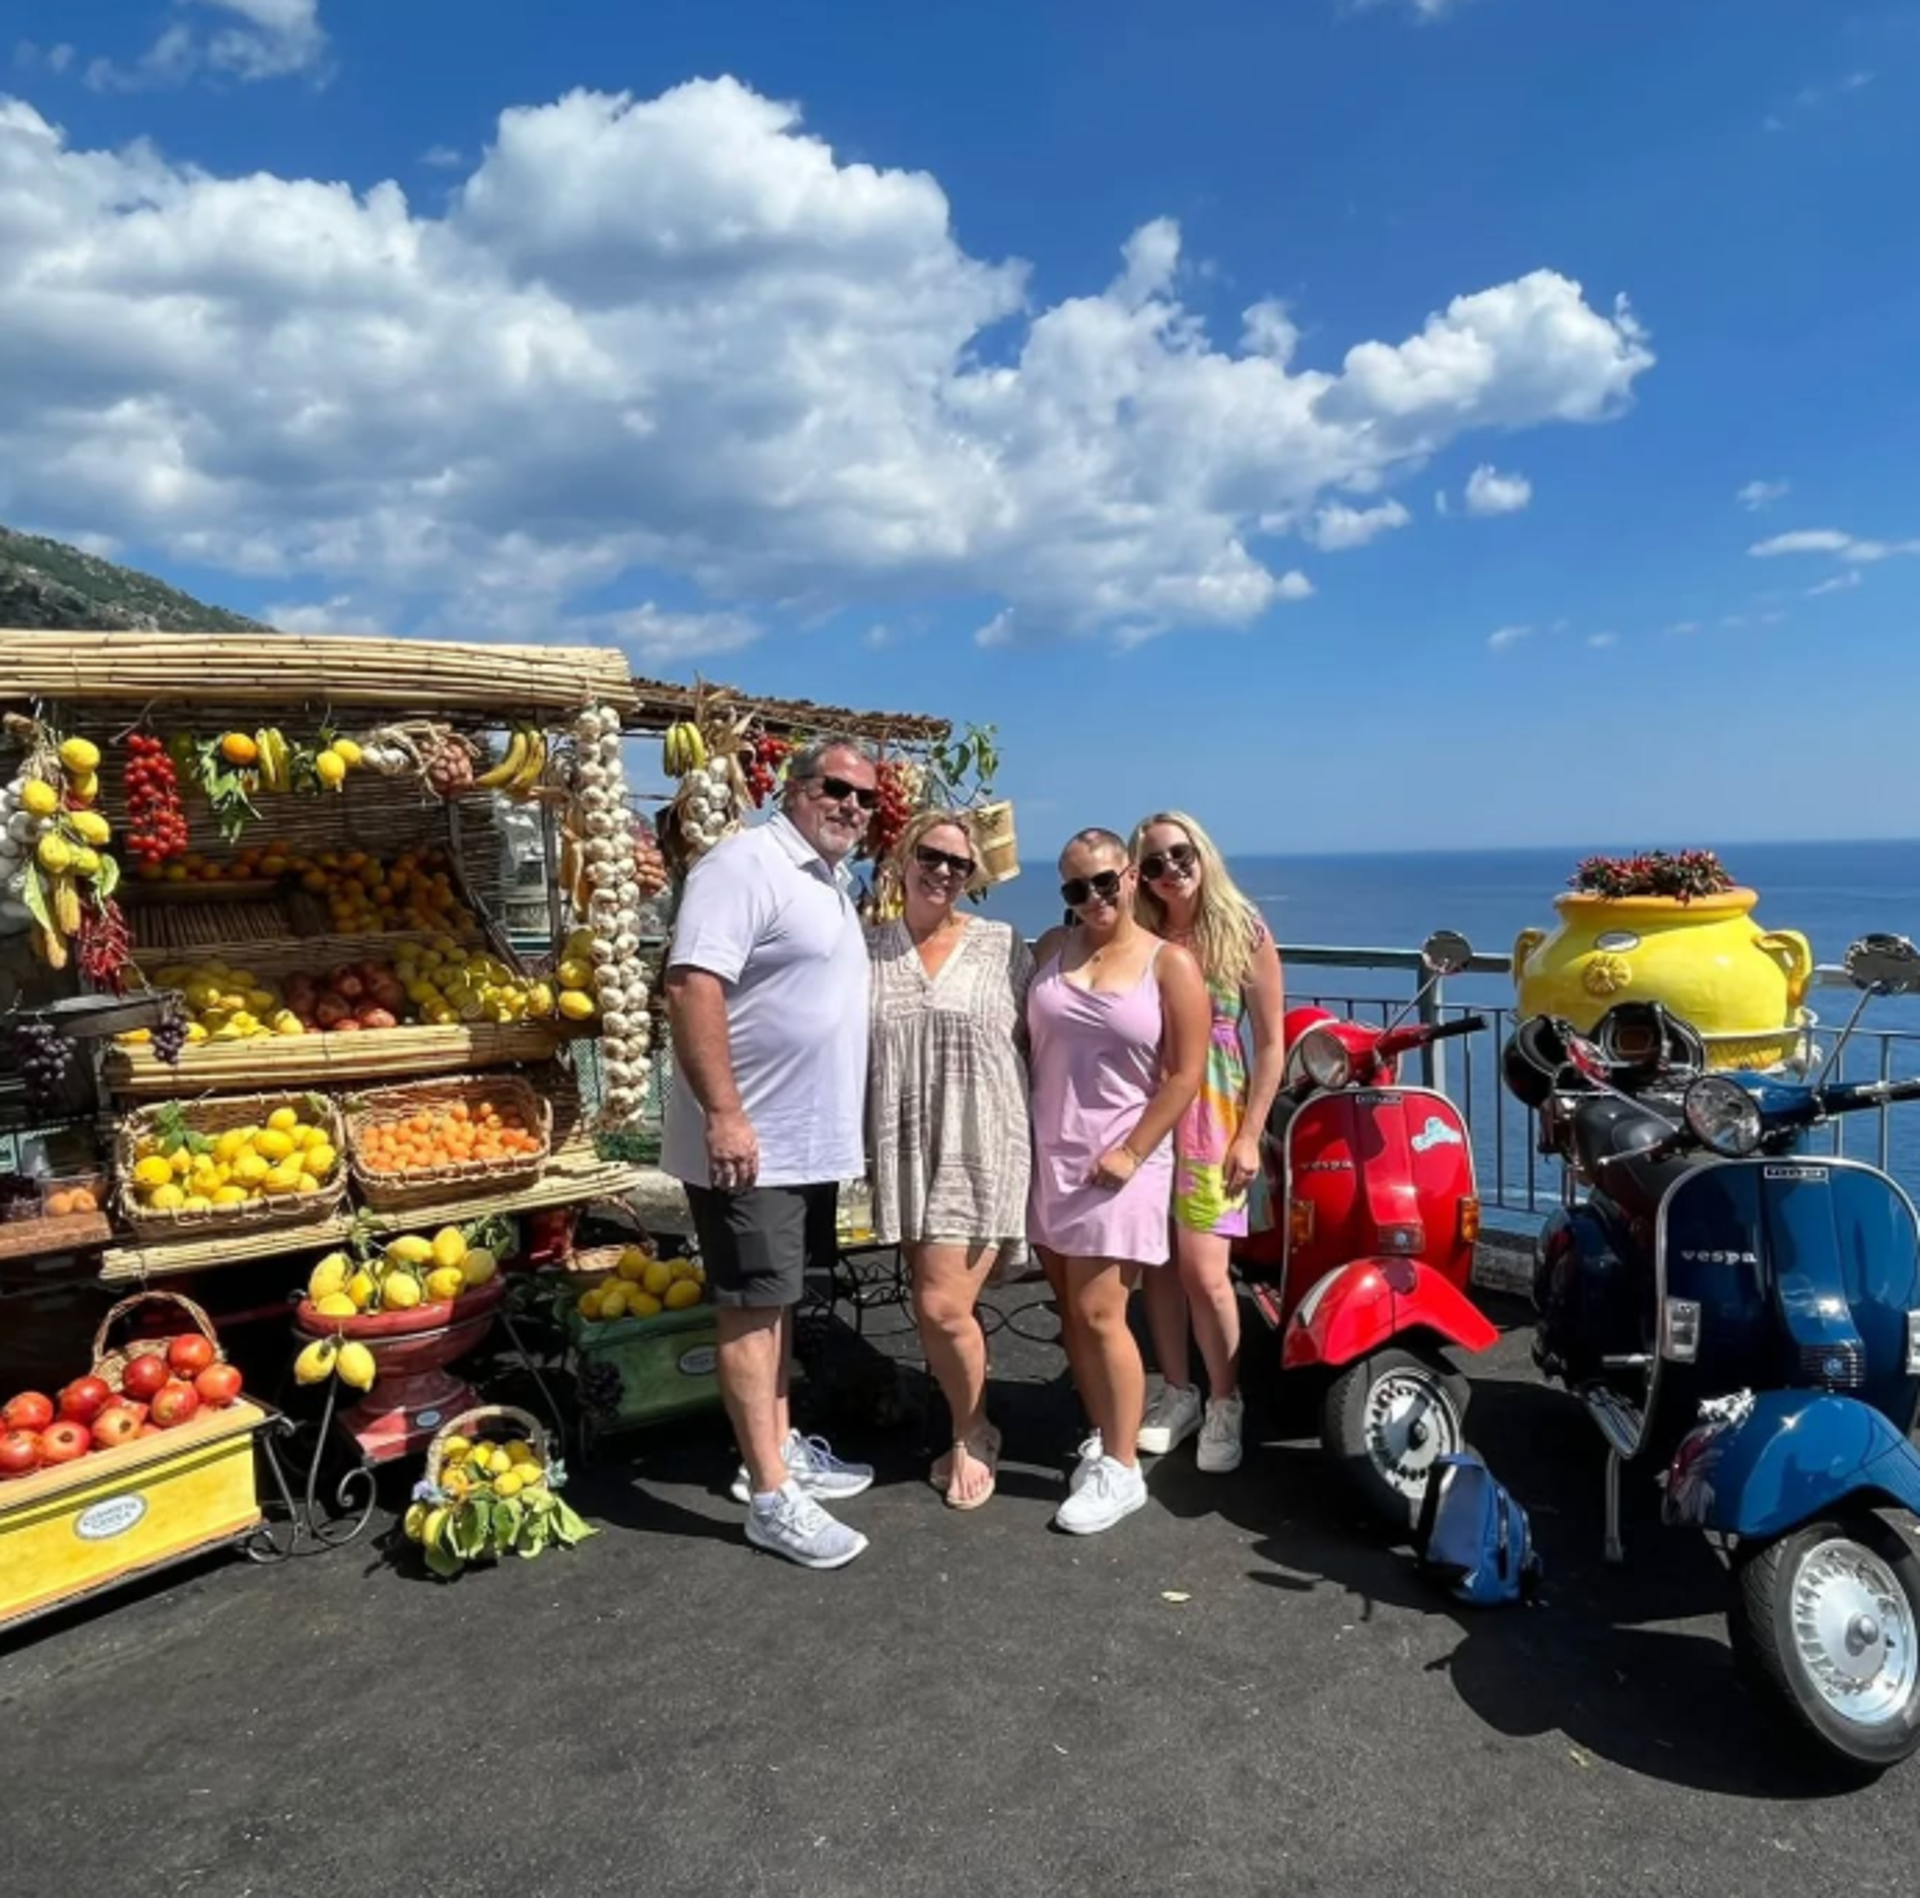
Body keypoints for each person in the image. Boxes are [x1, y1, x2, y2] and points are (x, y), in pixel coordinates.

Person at [662, 735, 881, 1569]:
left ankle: (780, 1452)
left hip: (799, 1144)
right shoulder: (744, 864)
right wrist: (725, 1115)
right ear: (793, 788)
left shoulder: (827, 880)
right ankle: (768, 1496)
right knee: (751, 1309)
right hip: (752, 1144)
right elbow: (692, 984)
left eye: (865, 797)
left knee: (777, 1302)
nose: (852, 806)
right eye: (836, 788)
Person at [1026, 828, 1209, 1534]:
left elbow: (1185, 1075)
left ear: (1130, 877)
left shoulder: (1170, 965)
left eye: (1105, 881)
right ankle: (1106, 1435)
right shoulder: (1052, 947)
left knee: (1103, 1312)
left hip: (1122, 1161)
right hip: (1052, 1153)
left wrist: (1132, 1152)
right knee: (1073, 1313)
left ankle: (1122, 1467)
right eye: (1077, 888)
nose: (1094, 897)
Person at [866, 810, 1034, 1509]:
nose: (943, 871)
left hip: (983, 1142)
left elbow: (1050, 1034)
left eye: (959, 865)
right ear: (903, 858)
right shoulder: (868, 947)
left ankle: (974, 1430)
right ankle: (965, 1415)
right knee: (933, 1303)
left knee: (940, 1303)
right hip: (904, 1146)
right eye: (931, 856)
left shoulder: (1003, 946)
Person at [1129, 810, 1286, 1475]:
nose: (1171, 869)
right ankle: (1179, 1391)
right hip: (1147, 1109)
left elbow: (1271, 1043)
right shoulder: (1139, 934)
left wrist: (1250, 1134)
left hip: (1213, 1117)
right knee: (1157, 1267)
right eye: (1154, 863)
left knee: (1204, 1271)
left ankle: (1225, 1397)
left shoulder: (1242, 929)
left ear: (1202, 853)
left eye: (1180, 853)